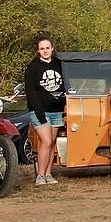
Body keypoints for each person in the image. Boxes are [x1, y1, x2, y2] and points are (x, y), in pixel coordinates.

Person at [25, 35, 65, 186]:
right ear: (38, 51)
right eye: (42, 49)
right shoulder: (33, 67)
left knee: (52, 142)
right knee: (46, 141)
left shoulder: (59, 64)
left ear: (52, 48)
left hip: (56, 111)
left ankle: (48, 173)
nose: (45, 51)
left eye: (47, 48)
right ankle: (40, 175)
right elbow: (31, 93)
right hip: (39, 111)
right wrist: (40, 114)